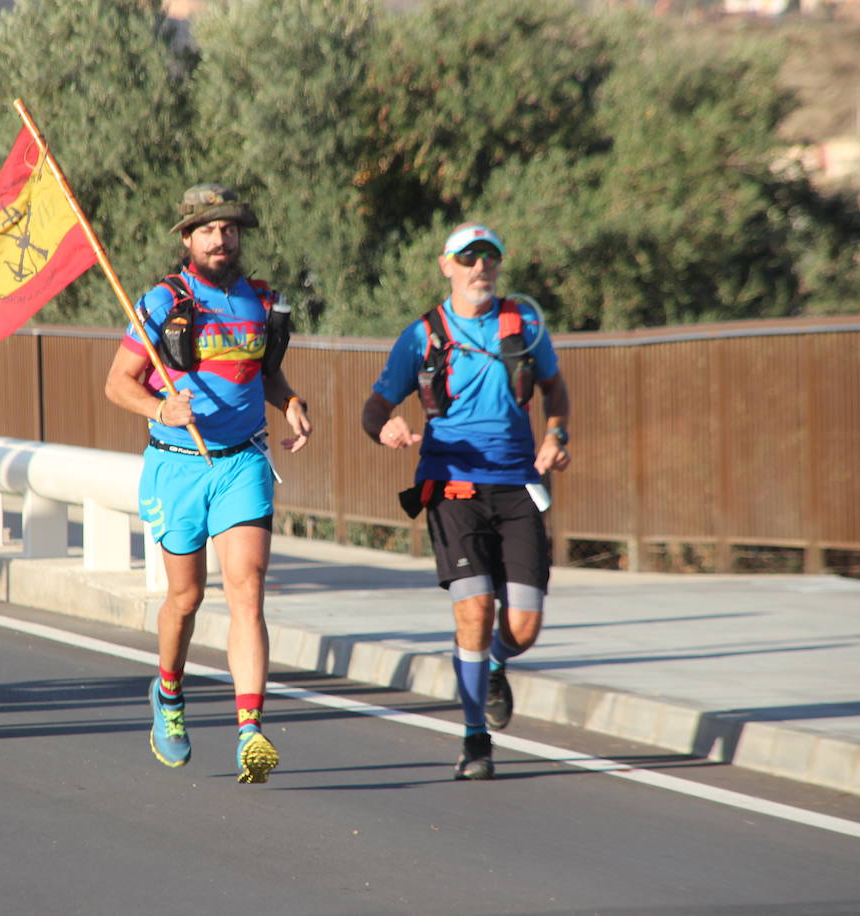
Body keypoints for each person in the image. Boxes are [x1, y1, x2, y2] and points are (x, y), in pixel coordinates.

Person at [104, 184, 312, 783]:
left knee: (247, 589)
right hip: (177, 464)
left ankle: (250, 730)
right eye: (207, 230)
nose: (220, 239)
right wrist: (159, 408)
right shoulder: (163, 301)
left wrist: (290, 401)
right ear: (188, 240)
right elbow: (118, 383)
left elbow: (265, 373)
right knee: (187, 598)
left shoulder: (260, 302)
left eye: (228, 229)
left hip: (242, 461)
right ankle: (168, 695)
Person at [360, 223, 571, 780]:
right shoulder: (422, 335)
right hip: (452, 486)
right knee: (475, 611)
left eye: (490, 258)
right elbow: (373, 410)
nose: (481, 267)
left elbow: (555, 388)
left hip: (519, 486)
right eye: (468, 258)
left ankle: (497, 665)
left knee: (523, 627)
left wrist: (556, 435)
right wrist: (386, 430)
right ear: (445, 265)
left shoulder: (522, 325)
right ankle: (475, 738)